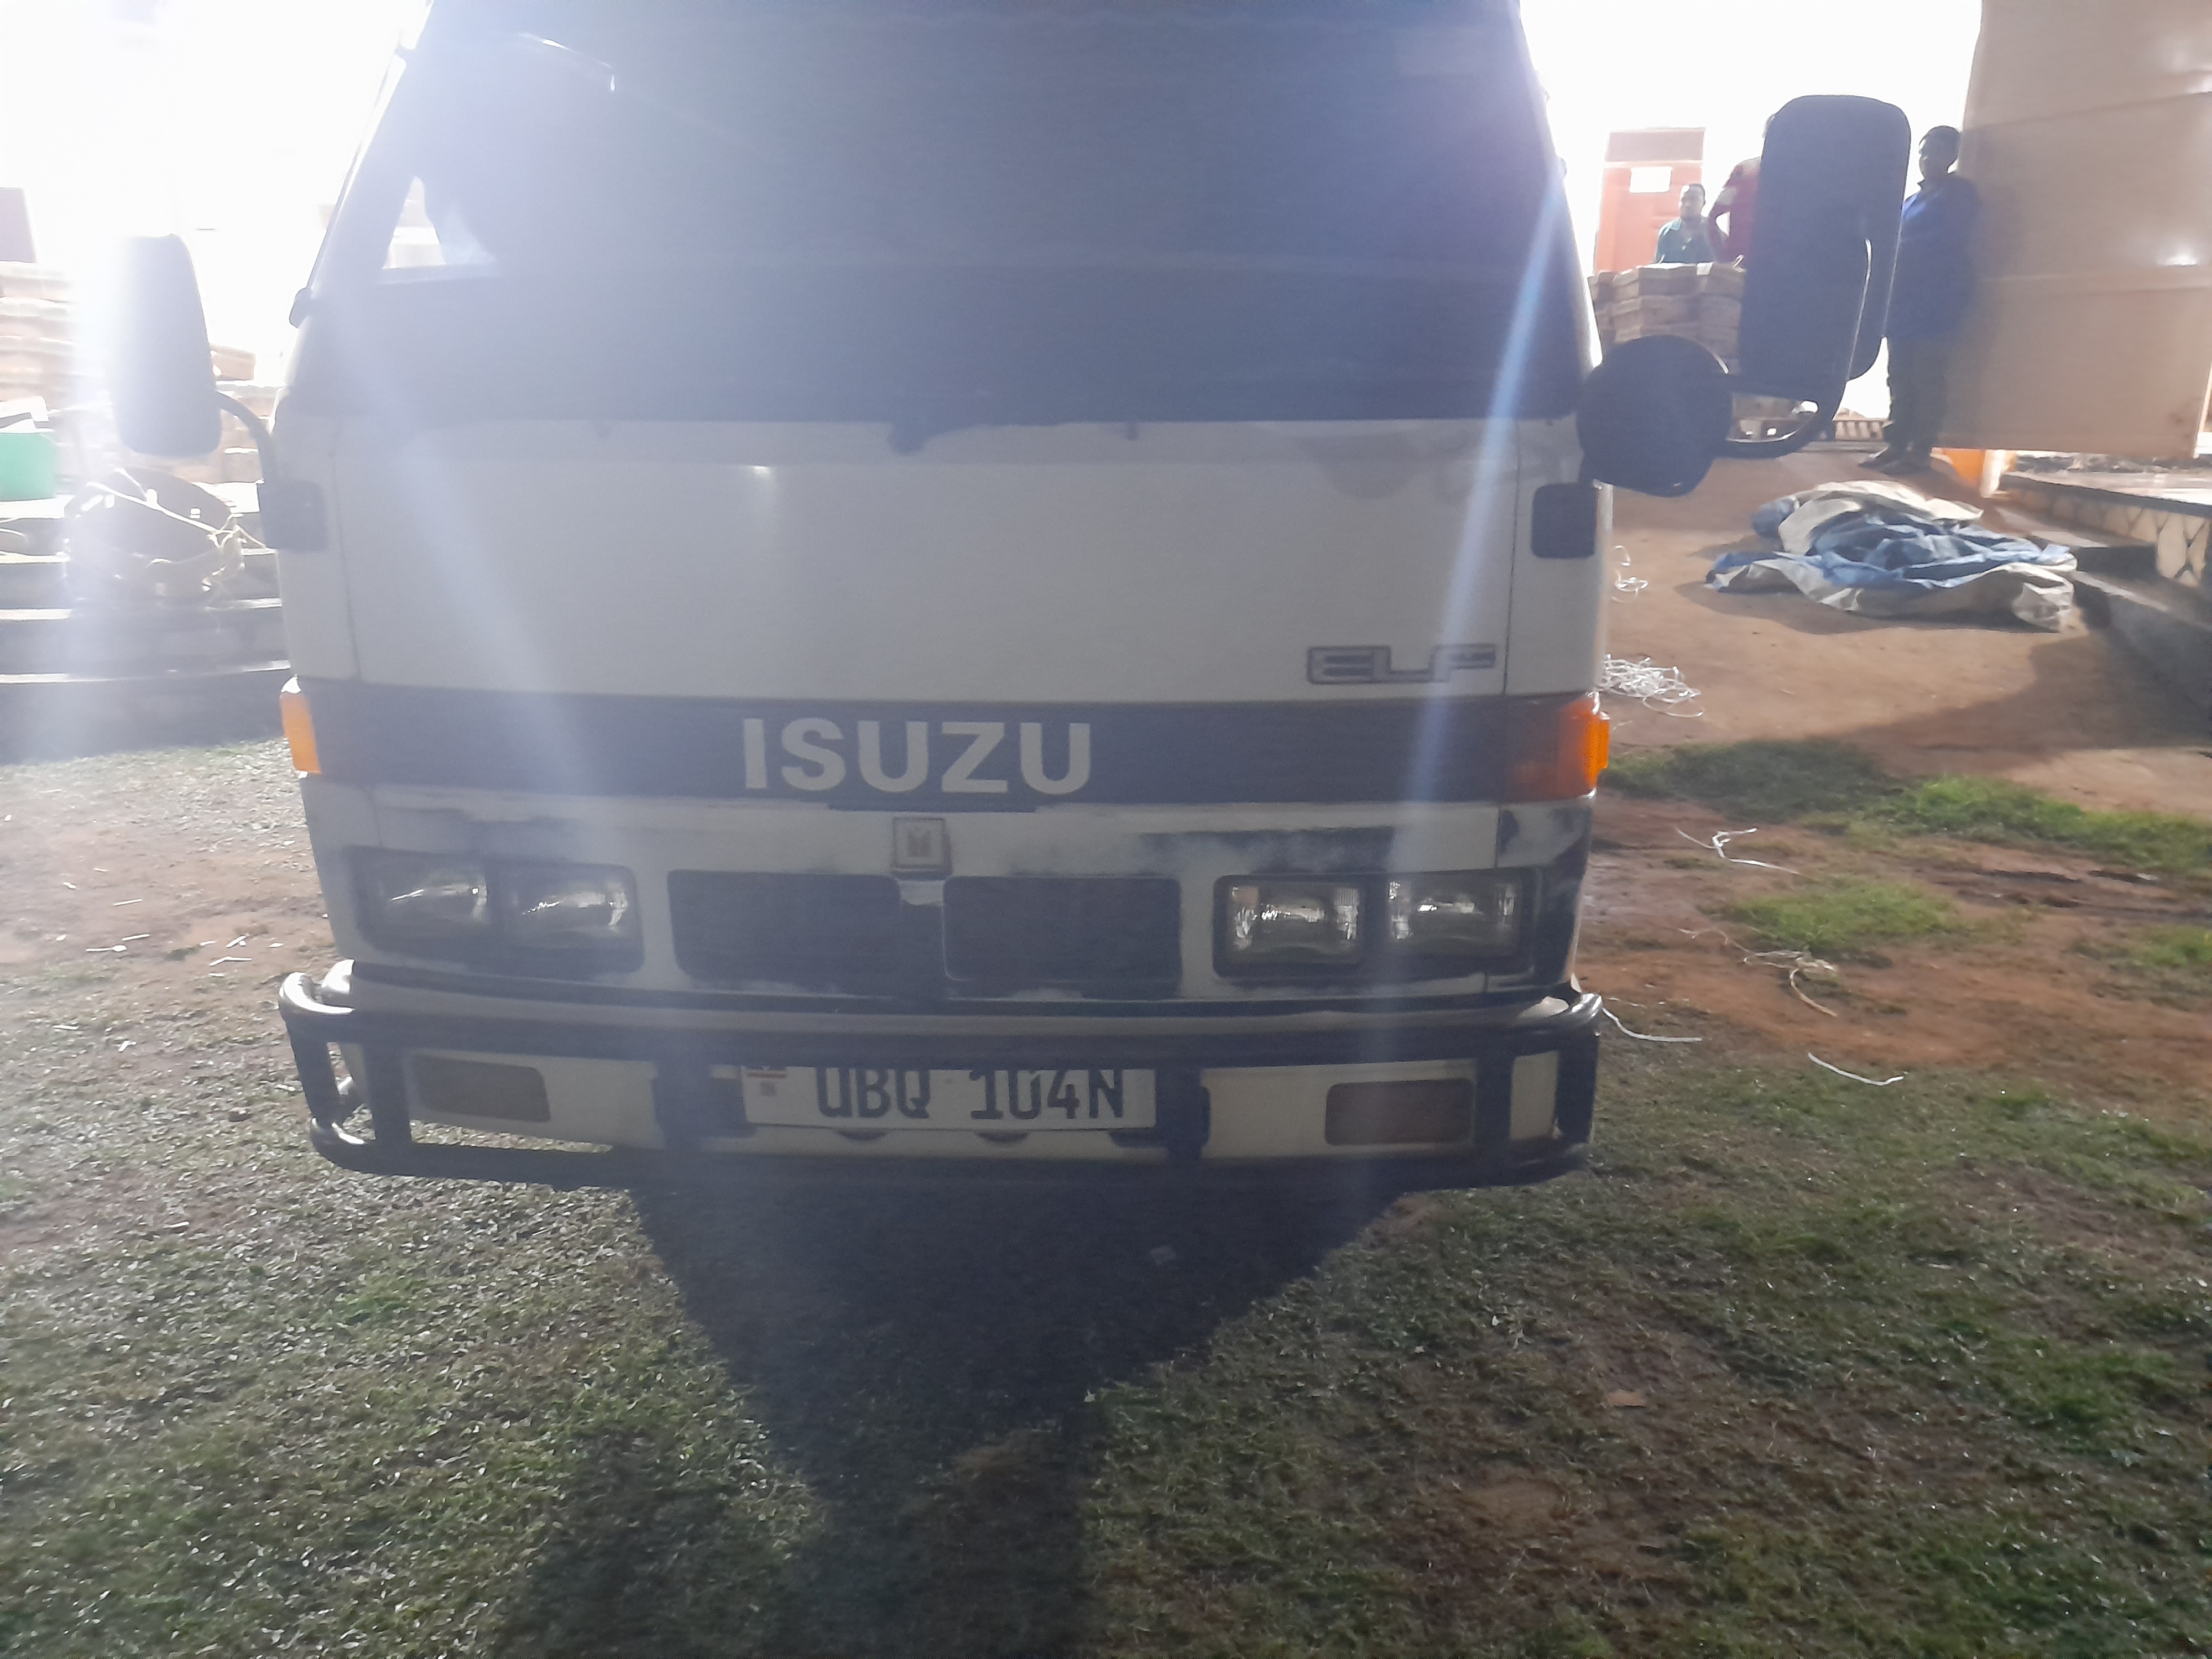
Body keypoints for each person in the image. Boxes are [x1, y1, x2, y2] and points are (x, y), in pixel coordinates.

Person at [1868, 126, 1980, 474]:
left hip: (1937, 298)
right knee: (1899, 375)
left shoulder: (1961, 195)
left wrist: (1900, 248)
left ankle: (1920, 450)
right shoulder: (1910, 202)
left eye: (1937, 151)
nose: (1928, 159)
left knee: (1928, 376)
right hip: (1903, 298)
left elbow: (1946, 240)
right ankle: (1896, 443)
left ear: (1952, 155)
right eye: (1924, 152)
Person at [1707, 157, 1758, 263]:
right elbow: (1713, 217)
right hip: (1742, 254)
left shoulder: (1746, 169)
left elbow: (1713, 217)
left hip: (1743, 255)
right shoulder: (1745, 170)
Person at [1653, 183, 1714, 264]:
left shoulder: (1713, 232)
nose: (1688, 205)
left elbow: (1719, 268)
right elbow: (1658, 267)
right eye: (1684, 200)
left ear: (1703, 203)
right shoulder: (1667, 232)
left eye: (1693, 200)